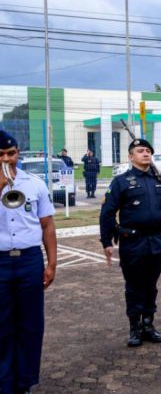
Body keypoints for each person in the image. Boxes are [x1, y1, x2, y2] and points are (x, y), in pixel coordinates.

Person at [99, 138, 161, 347]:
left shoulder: (159, 180)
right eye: (140, 151)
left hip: (155, 241)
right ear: (130, 156)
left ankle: (148, 325)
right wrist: (106, 241)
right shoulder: (121, 181)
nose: (145, 154)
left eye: (148, 151)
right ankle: (135, 327)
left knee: (151, 285)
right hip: (132, 242)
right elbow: (107, 213)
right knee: (134, 286)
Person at [0, 130, 57, 394]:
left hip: (29, 260)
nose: (7, 160)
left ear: (18, 153)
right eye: (1, 155)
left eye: (11, 154)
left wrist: (52, 263)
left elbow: (47, 225)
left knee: (31, 325)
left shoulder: (34, 184)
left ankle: (24, 382)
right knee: (2, 325)